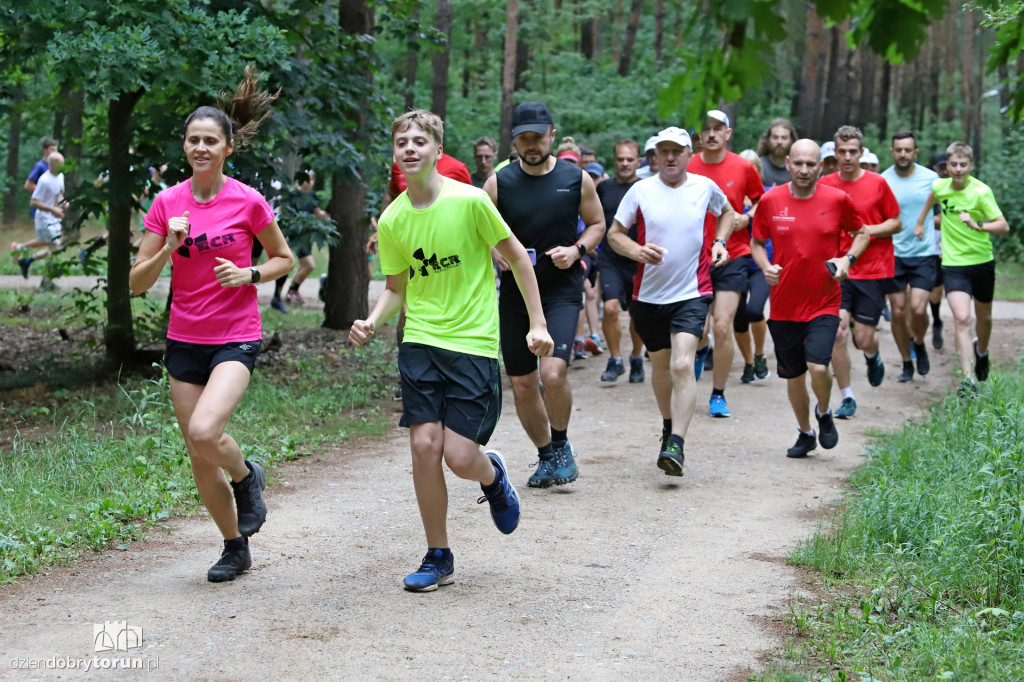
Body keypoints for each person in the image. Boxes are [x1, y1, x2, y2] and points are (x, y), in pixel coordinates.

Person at [350, 110, 552, 592]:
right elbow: (397, 286)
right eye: (402, 142)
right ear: (395, 154)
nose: (410, 149)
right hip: (420, 340)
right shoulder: (394, 218)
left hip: (472, 342)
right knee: (423, 446)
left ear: (438, 151)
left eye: (420, 141)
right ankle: (438, 554)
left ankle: (492, 475)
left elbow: (519, 257)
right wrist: (373, 320)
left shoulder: (471, 202)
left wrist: (538, 323)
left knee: (460, 457)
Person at [129, 69, 295, 583]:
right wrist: (170, 249)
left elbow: (283, 259)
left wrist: (249, 272)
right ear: (185, 147)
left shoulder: (247, 200)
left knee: (206, 431)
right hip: (184, 337)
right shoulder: (166, 203)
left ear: (227, 148)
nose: (201, 148)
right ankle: (234, 547)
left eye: (210, 141)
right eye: (193, 140)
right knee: (199, 454)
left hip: (235, 334)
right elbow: (136, 282)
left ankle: (248, 477)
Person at [484, 101, 605, 489]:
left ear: (552, 134)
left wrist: (578, 250)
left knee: (552, 373)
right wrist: (494, 253)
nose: (532, 145)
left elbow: (598, 224)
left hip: (561, 292)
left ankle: (562, 444)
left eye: (538, 137)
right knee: (521, 383)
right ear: (514, 141)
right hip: (516, 297)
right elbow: (478, 232)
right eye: (524, 139)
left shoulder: (576, 178)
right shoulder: (498, 183)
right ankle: (546, 455)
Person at [607, 126, 734, 476]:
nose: (670, 157)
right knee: (661, 368)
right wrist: (637, 250)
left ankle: (676, 442)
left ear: (689, 154)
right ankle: (668, 425)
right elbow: (614, 234)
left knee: (682, 364)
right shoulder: (640, 190)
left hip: (692, 293)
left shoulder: (704, 188)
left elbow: (728, 213)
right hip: (647, 296)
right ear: (655, 156)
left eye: (677, 150)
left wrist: (720, 241)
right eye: (663, 151)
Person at [752, 139, 869, 457]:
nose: (804, 170)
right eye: (798, 163)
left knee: (818, 367)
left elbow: (863, 233)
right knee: (793, 375)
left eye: (810, 164)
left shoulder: (837, 199)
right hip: (784, 304)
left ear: (821, 166)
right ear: (788, 163)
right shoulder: (770, 200)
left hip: (824, 301)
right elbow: (757, 242)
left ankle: (824, 412)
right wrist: (765, 267)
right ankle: (805, 432)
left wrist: (848, 260)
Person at [686, 110, 765, 417]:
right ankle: (701, 350)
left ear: (728, 133)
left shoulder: (744, 166)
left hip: (734, 254)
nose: (712, 134)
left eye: (718, 129)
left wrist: (747, 217)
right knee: (697, 330)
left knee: (722, 325)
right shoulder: (689, 165)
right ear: (700, 135)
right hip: (694, 256)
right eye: (707, 129)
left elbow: (762, 200)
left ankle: (718, 394)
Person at [819, 125, 901, 418]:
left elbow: (896, 222)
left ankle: (871, 354)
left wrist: (866, 231)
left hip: (873, 269)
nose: (848, 157)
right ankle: (847, 396)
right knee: (838, 333)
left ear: (862, 152)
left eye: (853, 151)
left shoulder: (878, 183)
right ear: (835, 152)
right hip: (837, 271)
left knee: (863, 337)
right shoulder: (825, 184)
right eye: (842, 151)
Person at [914, 141, 1009, 391]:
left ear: (971, 165)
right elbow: (931, 198)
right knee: (962, 318)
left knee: (984, 318)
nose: (957, 169)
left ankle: (983, 351)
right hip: (953, 263)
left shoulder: (981, 192)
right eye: (953, 164)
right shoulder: (940, 186)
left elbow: (1003, 225)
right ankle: (967, 381)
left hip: (981, 262)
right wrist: (921, 222)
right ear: (947, 165)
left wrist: (977, 226)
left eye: (963, 165)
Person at [882, 131, 939, 383]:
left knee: (917, 308)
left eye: (908, 150)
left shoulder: (932, 179)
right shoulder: (882, 180)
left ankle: (919, 342)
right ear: (892, 151)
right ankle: (906, 362)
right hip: (893, 254)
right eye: (899, 149)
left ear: (916, 152)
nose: (903, 154)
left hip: (924, 253)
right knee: (897, 311)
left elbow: (942, 212)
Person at [596, 139, 646, 383]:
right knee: (610, 308)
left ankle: (636, 357)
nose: (625, 163)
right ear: (614, 161)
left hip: (638, 258)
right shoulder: (603, 188)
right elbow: (592, 217)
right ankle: (615, 359)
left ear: (638, 161)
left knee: (638, 314)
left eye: (630, 159)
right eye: (620, 159)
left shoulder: (647, 188)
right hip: (610, 259)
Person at [733, 149, 772, 383]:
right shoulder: (730, 195)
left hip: (762, 262)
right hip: (737, 261)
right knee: (738, 318)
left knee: (755, 310)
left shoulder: (769, 196)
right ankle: (748, 362)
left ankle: (759, 354)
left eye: (752, 168)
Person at [274, 169, 329, 309]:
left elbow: (317, 212)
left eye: (313, 179)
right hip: (295, 236)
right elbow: (283, 213)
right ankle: (290, 291)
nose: (311, 182)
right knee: (308, 265)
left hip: (307, 235)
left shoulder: (312, 195)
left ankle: (291, 291)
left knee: (305, 265)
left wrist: (328, 215)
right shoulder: (293, 195)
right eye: (308, 179)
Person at [15, 152, 67, 282]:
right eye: (61, 163)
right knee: (55, 248)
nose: (64, 165)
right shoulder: (44, 180)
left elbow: (60, 193)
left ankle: (27, 261)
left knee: (53, 248)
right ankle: (48, 281)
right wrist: (52, 209)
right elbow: (33, 202)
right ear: (52, 164)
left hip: (54, 217)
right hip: (44, 217)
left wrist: (63, 203)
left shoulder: (60, 176)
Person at [928, 151, 950, 349]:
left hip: (950, 247)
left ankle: (936, 322)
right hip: (929, 246)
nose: (945, 170)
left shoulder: (958, 188)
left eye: (947, 166)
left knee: (936, 293)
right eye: (940, 167)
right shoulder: (930, 188)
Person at [756, 118, 797, 187]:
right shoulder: (759, 165)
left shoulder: (798, 168)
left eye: (784, 138)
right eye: (775, 137)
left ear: (791, 140)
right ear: (768, 139)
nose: (779, 142)